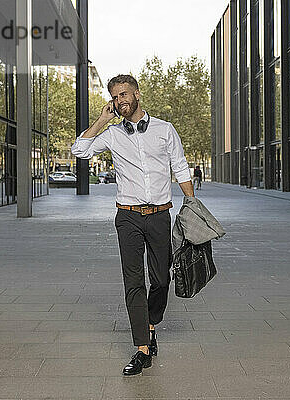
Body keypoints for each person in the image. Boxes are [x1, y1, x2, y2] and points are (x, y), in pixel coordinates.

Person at [71, 74, 194, 376]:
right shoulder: (112, 135)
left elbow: (179, 166)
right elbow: (79, 150)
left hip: (159, 215)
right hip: (127, 216)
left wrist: (192, 204)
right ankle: (142, 347)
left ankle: (150, 322)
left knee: (162, 278)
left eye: (124, 94)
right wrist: (101, 121)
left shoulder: (165, 130)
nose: (120, 101)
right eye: (115, 97)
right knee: (133, 281)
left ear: (138, 94)